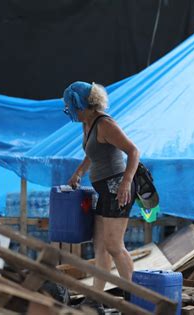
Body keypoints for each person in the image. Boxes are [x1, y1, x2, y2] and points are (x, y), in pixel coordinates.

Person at [64, 81, 140, 312]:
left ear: (81, 105)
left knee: (114, 245)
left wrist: (126, 181)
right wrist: (79, 172)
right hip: (104, 190)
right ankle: (96, 298)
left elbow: (133, 151)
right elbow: (92, 153)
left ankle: (134, 299)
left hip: (118, 188)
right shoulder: (86, 124)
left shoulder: (105, 124)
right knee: (100, 246)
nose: (69, 111)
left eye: (71, 106)